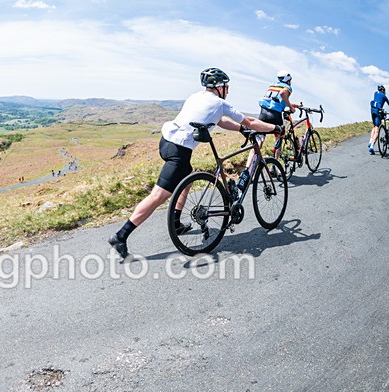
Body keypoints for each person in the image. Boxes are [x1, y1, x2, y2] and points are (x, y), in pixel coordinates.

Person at [108, 67, 284, 259]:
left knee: (188, 176)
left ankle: (176, 221)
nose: (228, 90)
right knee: (157, 196)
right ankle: (121, 235)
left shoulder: (195, 97)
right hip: (179, 151)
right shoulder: (219, 103)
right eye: (226, 86)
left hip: (166, 142)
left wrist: (240, 130)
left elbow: (220, 121)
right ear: (219, 87)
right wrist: (275, 127)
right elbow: (250, 120)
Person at [369, 85, 388, 154]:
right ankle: (372, 146)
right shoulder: (384, 96)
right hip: (377, 111)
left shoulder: (375, 93)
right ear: (383, 90)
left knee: (374, 126)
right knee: (377, 130)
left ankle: (370, 141)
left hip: (372, 109)